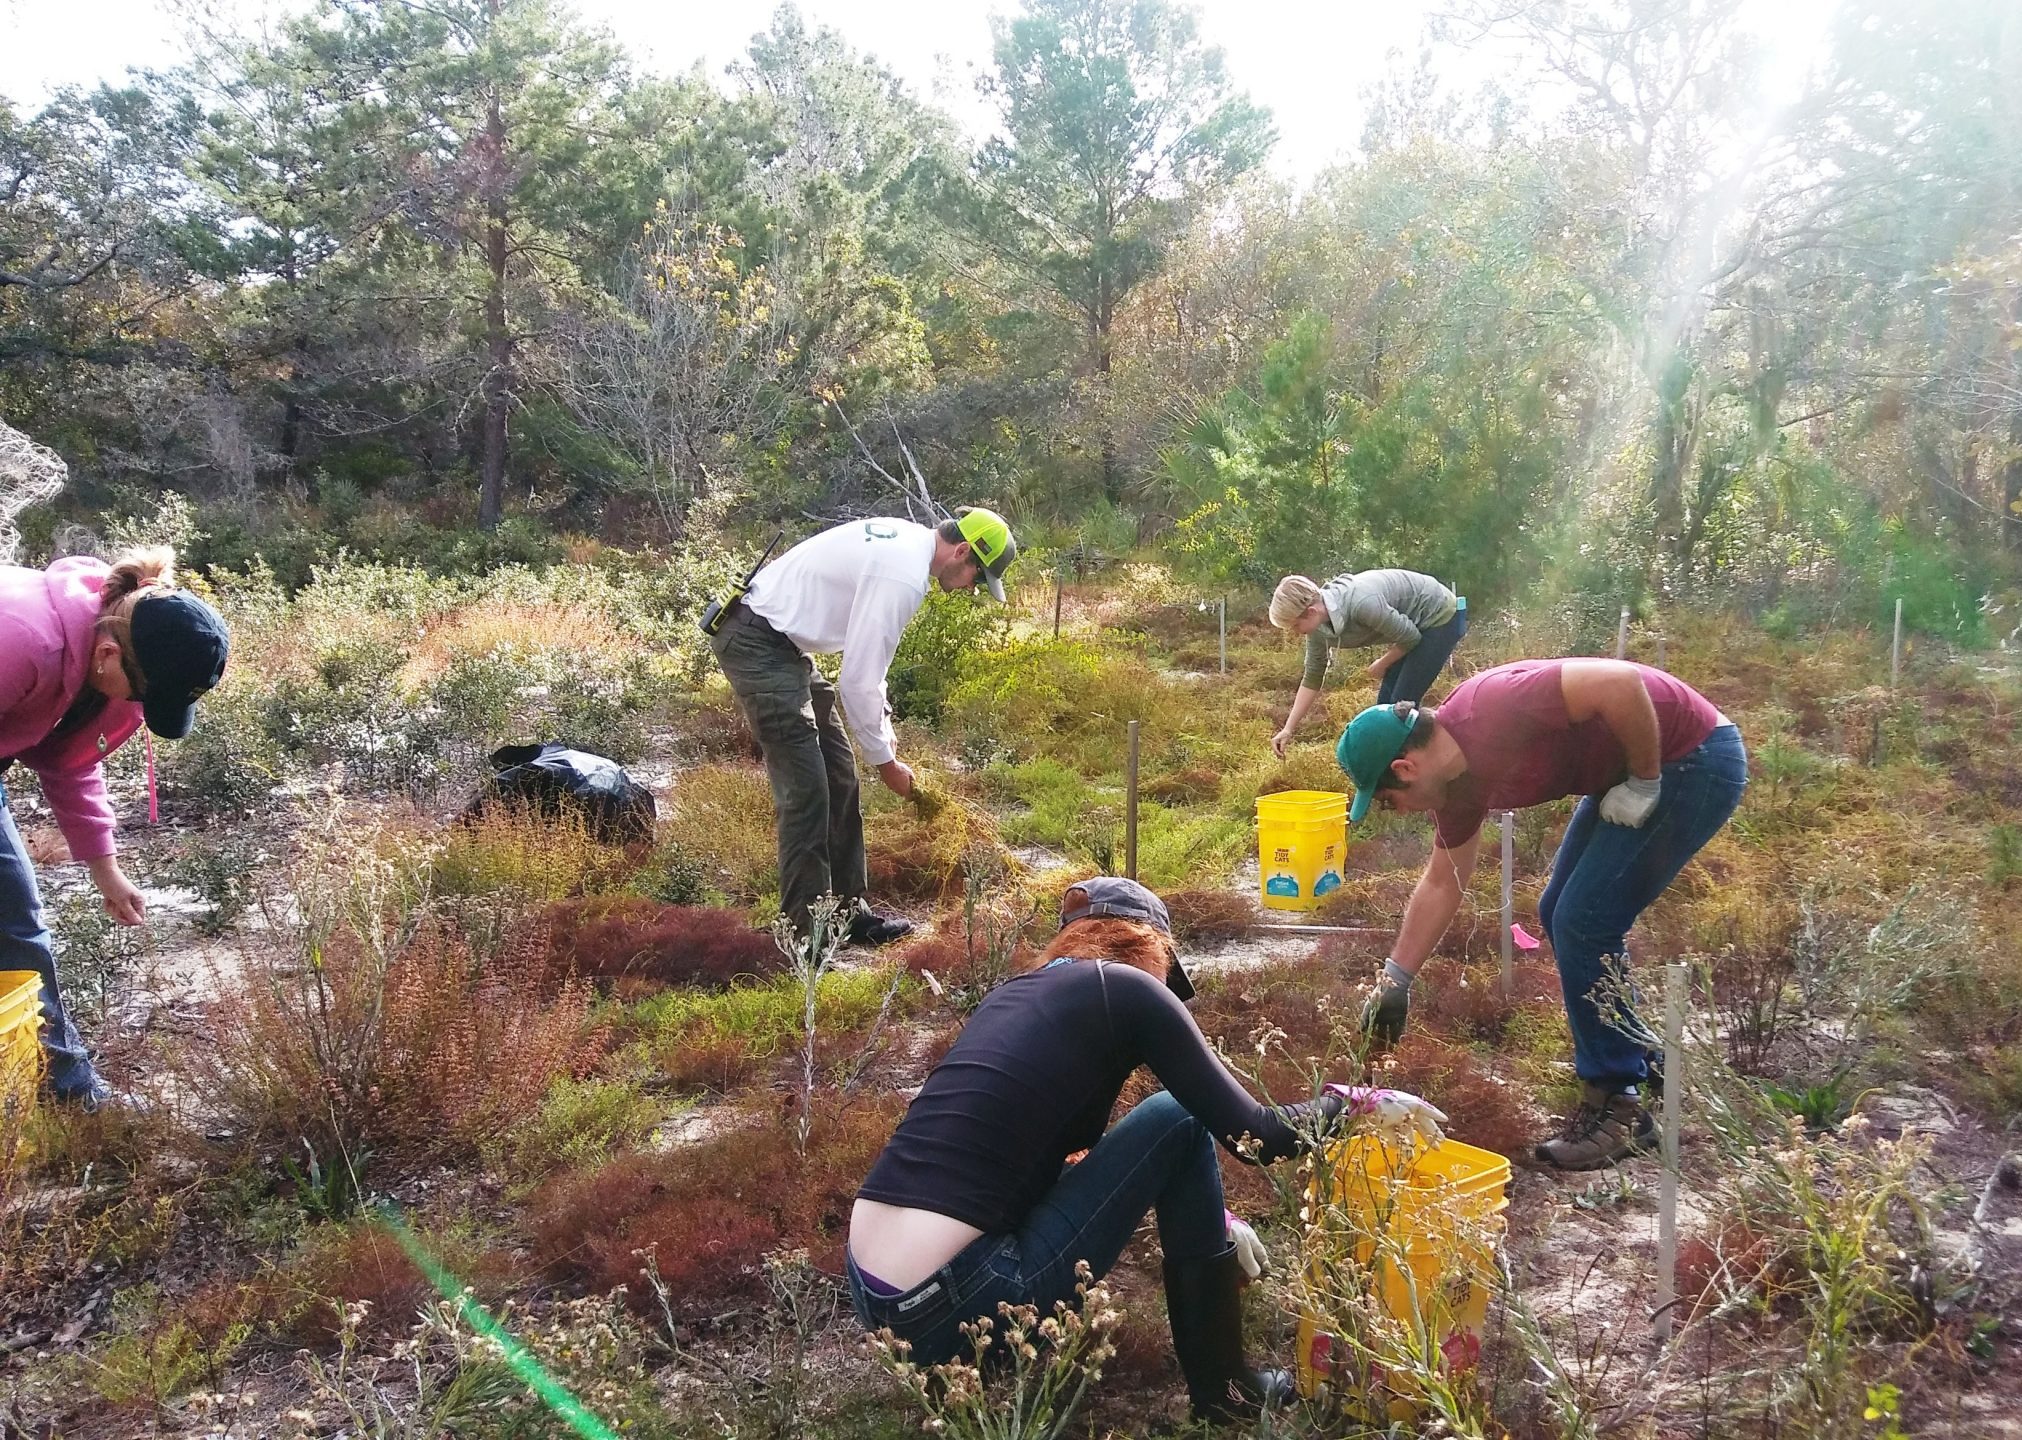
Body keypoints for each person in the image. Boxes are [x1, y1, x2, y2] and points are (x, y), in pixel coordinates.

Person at [848, 877, 1356, 1421]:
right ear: (1151, 947)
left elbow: (1065, 1165)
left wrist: (1216, 1216)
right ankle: (1227, 1394)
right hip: (962, 1298)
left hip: (879, 1303)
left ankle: (951, 1367)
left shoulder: (1013, 995)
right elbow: (1260, 1136)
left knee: (1165, 1127)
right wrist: (1358, 1105)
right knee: (1179, 1115)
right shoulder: (1131, 990)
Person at [1333, 658, 1746, 1170]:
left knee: (1584, 919)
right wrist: (1395, 981)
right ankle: (1644, 1060)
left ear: (1405, 769)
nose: (1397, 812)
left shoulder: (1490, 707)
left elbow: (1617, 683)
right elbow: (1443, 882)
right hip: (1626, 770)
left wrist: (1643, 780)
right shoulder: (1457, 786)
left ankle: (1619, 1103)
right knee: (1559, 911)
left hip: (1691, 755)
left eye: (1390, 802)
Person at [709, 509, 1017, 946]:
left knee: (839, 774)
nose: (970, 588)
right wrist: (888, 765)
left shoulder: (908, 544)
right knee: (808, 794)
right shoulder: (904, 576)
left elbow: (871, 665)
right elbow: (856, 681)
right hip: (759, 643)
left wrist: (883, 729)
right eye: (976, 576)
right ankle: (804, 938)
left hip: (787, 646)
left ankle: (850, 914)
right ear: (962, 551)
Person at [1, 547, 230, 1108]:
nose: (143, 707)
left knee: (15, 921)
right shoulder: (21, 638)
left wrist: (106, 871)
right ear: (107, 654)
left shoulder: (118, 653)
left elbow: (71, 761)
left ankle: (64, 1089)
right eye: (147, 695)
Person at [1268, 569, 1466, 758]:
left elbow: (1411, 638)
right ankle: (1393, 769)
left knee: (1400, 711)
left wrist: (1382, 664)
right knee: (1385, 711)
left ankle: (1441, 758)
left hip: (1439, 614)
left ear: (1311, 611)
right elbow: (1312, 676)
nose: (1293, 632)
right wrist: (1288, 729)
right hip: (1413, 627)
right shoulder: (1318, 629)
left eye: (1294, 626)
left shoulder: (1362, 603)